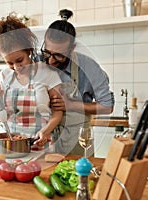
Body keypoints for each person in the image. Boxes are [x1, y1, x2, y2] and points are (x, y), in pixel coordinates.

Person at [0, 14, 63, 149]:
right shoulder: (3, 76)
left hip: (40, 144)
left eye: (20, 60)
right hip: (10, 145)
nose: (16, 67)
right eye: (10, 63)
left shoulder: (48, 74)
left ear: (29, 50)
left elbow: (58, 112)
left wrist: (45, 131)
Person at [41, 9, 115, 155]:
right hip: (42, 141)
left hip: (77, 141)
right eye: (47, 52)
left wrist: (71, 105)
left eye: (58, 56)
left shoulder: (89, 68)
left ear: (72, 49)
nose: (50, 61)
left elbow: (107, 106)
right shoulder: (37, 62)